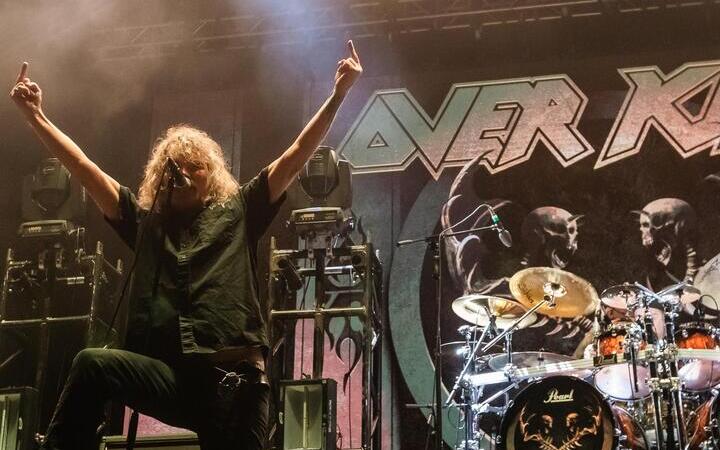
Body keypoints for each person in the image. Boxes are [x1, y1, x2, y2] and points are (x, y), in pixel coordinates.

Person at [9, 41, 362, 450]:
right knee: (92, 364)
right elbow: (85, 170)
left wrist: (339, 94)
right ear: (160, 176)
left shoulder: (240, 209)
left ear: (211, 174)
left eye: (197, 166)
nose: (186, 173)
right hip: (175, 381)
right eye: (175, 167)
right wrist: (36, 117)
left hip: (235, 384)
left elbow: (297, 155)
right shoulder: (146, 224)